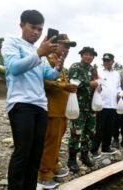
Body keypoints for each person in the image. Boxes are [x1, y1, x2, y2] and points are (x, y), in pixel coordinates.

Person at [1, 10, 63, 190]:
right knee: (23, 151)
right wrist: (39, 53)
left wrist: (58, 67)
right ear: (22, 25)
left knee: (36, 152)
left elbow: (47, 74)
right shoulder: (12, 42)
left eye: (39, 29)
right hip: (20, 104)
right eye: (32, 27)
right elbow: (13, 68)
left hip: (40, 105)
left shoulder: (39, 52)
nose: (36, 32)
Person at [38, 34, 77, 189]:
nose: (67, 49)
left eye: (68, 47)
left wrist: (69, 86)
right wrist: (64, 87)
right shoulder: (46, 59)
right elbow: (44, 81)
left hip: (62, 110)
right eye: (64, 46)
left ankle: (53, 165)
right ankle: (44, 173)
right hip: (52, 109)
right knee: (50, 142)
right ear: (55, 45)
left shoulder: (62, 64)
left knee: (57, 141)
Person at [67, 46, 98, 172]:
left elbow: (97, 82)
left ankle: (84, 156)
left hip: (91, 107)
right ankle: (72, 159)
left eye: (91, 55)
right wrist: (88, 84)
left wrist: (98, 86)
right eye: (86, 54)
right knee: (76, 132)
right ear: (81, 55)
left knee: (90, 132)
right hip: (78, 106)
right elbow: (72, 82)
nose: (89, 57)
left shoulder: (93, 69)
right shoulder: (75, 67)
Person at [91, 53, 120, 157]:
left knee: (110, 128)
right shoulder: (98, 72)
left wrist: (120, 94)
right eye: (104, 60)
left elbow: (118, 87)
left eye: (108, 60)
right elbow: (94, 83)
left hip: (113, 105)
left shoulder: (117, 74)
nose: (106, 62)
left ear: (113, 62)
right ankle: (94, 149)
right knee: (99, 128)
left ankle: (106, 147)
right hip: (101, 104)